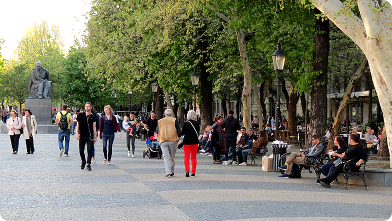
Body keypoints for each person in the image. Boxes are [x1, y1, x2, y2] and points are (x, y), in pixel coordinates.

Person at [156, 109, 181, 178]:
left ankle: (168, 172)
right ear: (171, 115)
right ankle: (172, 171)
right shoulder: (174, 120)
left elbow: (157, 130)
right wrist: (178, 137)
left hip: (163, 140)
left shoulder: (160, 121)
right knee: (172, 156)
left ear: (165, 114)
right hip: (173, 140)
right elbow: (179, 131)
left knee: (166, 156)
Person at [76, 102, 97, 171]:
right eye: (86, 106)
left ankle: (88, 164)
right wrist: (77, 133)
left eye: (88, 106)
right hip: (82, 135)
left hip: (90, 136)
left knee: (89, 150)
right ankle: (83, 161)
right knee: (81, 150)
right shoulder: (80, 115)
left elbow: (94, 127)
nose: (87, 107)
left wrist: (95, 136)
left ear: (91, 107)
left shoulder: (93, 117)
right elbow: (78, 125)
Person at [181, 110, 200, 177]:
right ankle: (193, 171)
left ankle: (187, 171)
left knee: (186, 157)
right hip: (195, 142)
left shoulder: (186, 123)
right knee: (194, 157)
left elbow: (183, 133)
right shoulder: (197, 124)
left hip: (186, 142)